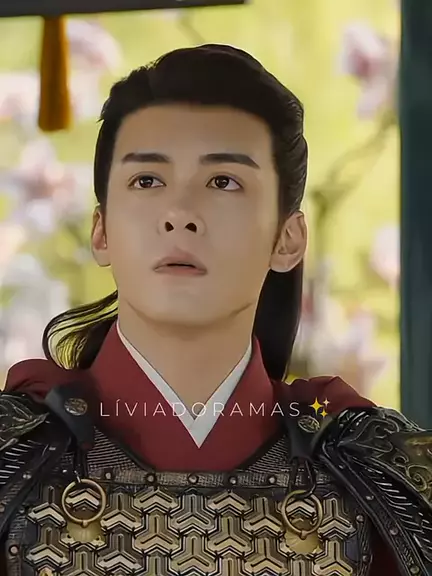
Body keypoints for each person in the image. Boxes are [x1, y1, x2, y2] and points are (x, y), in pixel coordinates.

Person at [0, 44, 430, 576]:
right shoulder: (14, 459)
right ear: (102, 231)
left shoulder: (373, 474)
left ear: (288, 239)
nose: (180, 214)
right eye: (147, 181)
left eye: (223, 182)